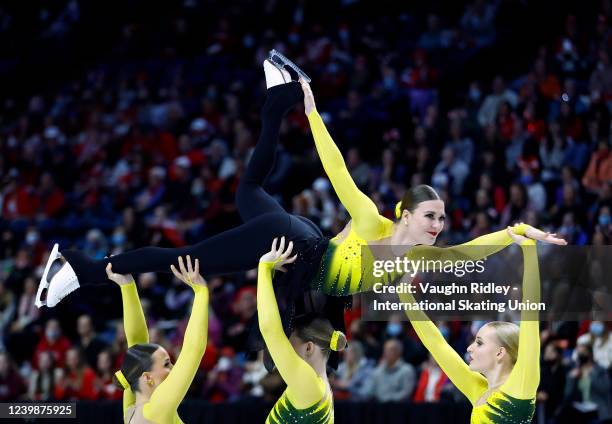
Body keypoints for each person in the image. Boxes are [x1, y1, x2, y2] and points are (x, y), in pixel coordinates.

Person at [397, 229, 542, 423]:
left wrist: (529, 249)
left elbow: (531, 312)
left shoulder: (521, 385)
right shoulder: (479, 390)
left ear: (500, 352)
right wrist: (404, 294)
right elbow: (437, 345)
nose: (469, 347)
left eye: (479, 343)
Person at [107, 255, 208, 424]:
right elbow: (193, 351)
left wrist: (127, 286)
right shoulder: (156, 410)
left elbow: (136, 343)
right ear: (147, 378)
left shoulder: (131, 411)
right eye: (167, 364)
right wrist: (201, 293)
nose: (174, 367)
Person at [257, 237, 346, 423]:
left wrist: (264, 268)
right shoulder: (317, 387)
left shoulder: (309, 384)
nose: (283, 350)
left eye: (289, 344)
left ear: (308, 348)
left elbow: (270, 330)